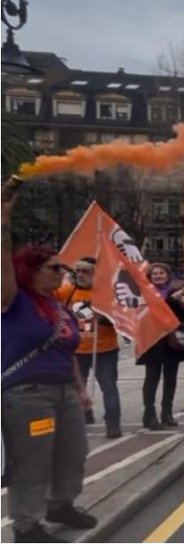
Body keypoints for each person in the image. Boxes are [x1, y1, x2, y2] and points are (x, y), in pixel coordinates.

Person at [2, 182, 98, 543]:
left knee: (74, 453)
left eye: (63, 267)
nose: (63, 272)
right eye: (54, 267)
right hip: (28, 396)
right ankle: (26, 525)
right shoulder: (13, 300)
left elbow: (66, 351)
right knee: (33, 459)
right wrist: (4, 216)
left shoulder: (58, 307)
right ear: (30, 270)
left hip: (63, 391)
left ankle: (61, 504)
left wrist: (79, 391)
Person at [57, 257, 122, 439]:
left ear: (96, 274)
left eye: (86, 271)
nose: (80, 275)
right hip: (76, 351)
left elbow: (122, 320)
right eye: (78, 271)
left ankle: (113, 423)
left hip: (105, 350)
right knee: (77, 389)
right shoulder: (67, 291)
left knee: (109, 388)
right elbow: (46, 297)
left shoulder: (106, 294)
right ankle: (82, 418)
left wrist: (105, 318)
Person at [137, 262, 184, 430]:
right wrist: (170, 301)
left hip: (170, 341)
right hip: (152, 340)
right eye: (155, 273)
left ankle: (167, 412)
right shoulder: (145, 294)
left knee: (170, 379)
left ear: (168, 276)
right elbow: (154, 311)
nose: (158, 275)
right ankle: (149, 414)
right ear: (150, 277)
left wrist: (183, 304)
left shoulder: (175, 292)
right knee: (152, 378)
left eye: (162, 273)